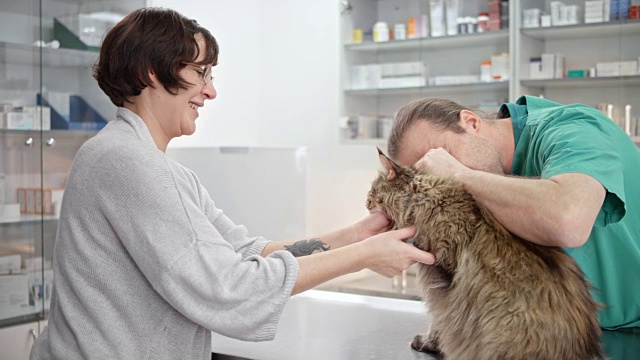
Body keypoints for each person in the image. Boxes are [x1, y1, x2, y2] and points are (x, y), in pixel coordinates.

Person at [30, 8, 434, 360]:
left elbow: (244, 252)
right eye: (200, 73)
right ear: (150, 72)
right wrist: (363, 255)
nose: (210, 91)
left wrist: (356, 235)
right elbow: (233, 289)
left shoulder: (145, 163)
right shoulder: (129, 163)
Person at [386, 96, 640, 330]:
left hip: (628, 333)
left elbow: (568, 222)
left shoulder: (575, 129)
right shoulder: (486, 174)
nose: (442, 178)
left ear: (471, 122)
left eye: (443, 156)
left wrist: (457, 173)